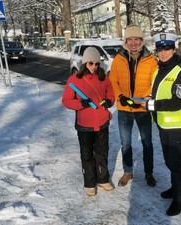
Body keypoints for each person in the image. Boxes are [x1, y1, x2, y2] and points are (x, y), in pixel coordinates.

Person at [140, 33, 181, 216]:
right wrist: (150, 98)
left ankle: (180, 200)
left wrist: (151, 104)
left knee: (176, 164)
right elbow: (158, 93)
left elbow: (177, 102)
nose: (163, 53)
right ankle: (174, 189)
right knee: (170, 162)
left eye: (167, 49)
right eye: (160, 49)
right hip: (164, 125)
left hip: (178, 128)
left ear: (174, 49)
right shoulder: (160, 70)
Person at [109, 24, 158, 187]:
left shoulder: (151, 60)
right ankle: (127, 171)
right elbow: (113, 80)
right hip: (124, 109)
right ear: (126, 41)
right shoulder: (119, 58)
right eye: (130, 39)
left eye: (136, 39)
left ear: (141, 40)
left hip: (143, 108)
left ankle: (149, 173)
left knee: (147, 142)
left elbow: (155, 82)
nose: (133, 43)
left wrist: (144, 98)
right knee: (126, 143)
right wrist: (120, 96)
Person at [62, 47, 115, 196]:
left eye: (97, 63)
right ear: (85, 63)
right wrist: (80, 104)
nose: (94, 67)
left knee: (102, 152)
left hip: (102, 122)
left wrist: (108, 101)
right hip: (84, 125)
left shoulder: (104, 79)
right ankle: (90, 183)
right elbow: (66, 100)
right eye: (90, 63)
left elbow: (111, 95)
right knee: (87, 155)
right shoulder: (74, 80)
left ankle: (103, 179)